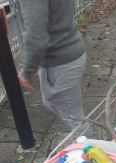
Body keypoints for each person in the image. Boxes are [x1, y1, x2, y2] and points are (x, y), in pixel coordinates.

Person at [19, 0, 87, 131]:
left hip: (60, 61)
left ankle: (94, 148)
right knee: (51, 103)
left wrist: (27, 72)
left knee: (74, 119)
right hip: (71, 50)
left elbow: (36, 37)